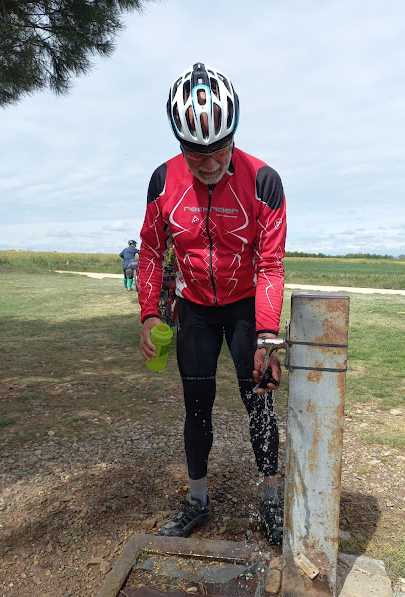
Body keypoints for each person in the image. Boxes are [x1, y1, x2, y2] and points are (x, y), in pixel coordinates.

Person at [137, 62, 287, 545]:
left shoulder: (264, 181)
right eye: (195, 153)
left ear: (234, 136)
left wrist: (267, 337)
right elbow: (150, 251)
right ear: (179, 143)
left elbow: (270, 265)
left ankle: (270, 498)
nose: (207, 164)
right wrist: (149, 314)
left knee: (259, 399)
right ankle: (197, 500)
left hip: (245, 307)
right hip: (196, 310)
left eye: (218, 150)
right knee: (196, 407)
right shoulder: (163, 181)